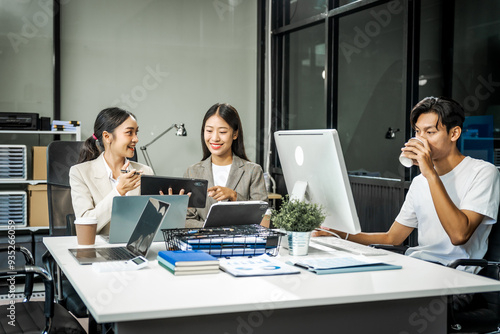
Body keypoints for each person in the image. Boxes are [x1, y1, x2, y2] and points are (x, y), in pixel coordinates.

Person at [317, 96, 500, 273]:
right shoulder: (420, 181)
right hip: (417, 267)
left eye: (430, 132)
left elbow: (459, 235)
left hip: (455, 279)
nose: (421, 140)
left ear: (454, 133)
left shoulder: (483, 172)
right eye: (418, 132)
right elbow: (392, 238)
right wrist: (337, 233)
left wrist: (430, 174)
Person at [70, 107, 154, 234]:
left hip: (136, 247)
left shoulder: (145, 171)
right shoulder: (80, 173)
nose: (136, 139)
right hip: (100, 247)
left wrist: (170, 206)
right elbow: (85, 225)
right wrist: (119, 191)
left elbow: (151, 223)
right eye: (129, 133)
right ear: (107, 136)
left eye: (136, 133)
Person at [183, 103, 268, 227]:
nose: (215, 138)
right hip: (204, 244)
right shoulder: (192, 172)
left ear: (235, 134)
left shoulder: (253, 171)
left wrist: (234, 196)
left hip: (241, 244)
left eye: (222, 131)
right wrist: (213, 229)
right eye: (209, 131)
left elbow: (263, 219)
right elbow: (186, 219)